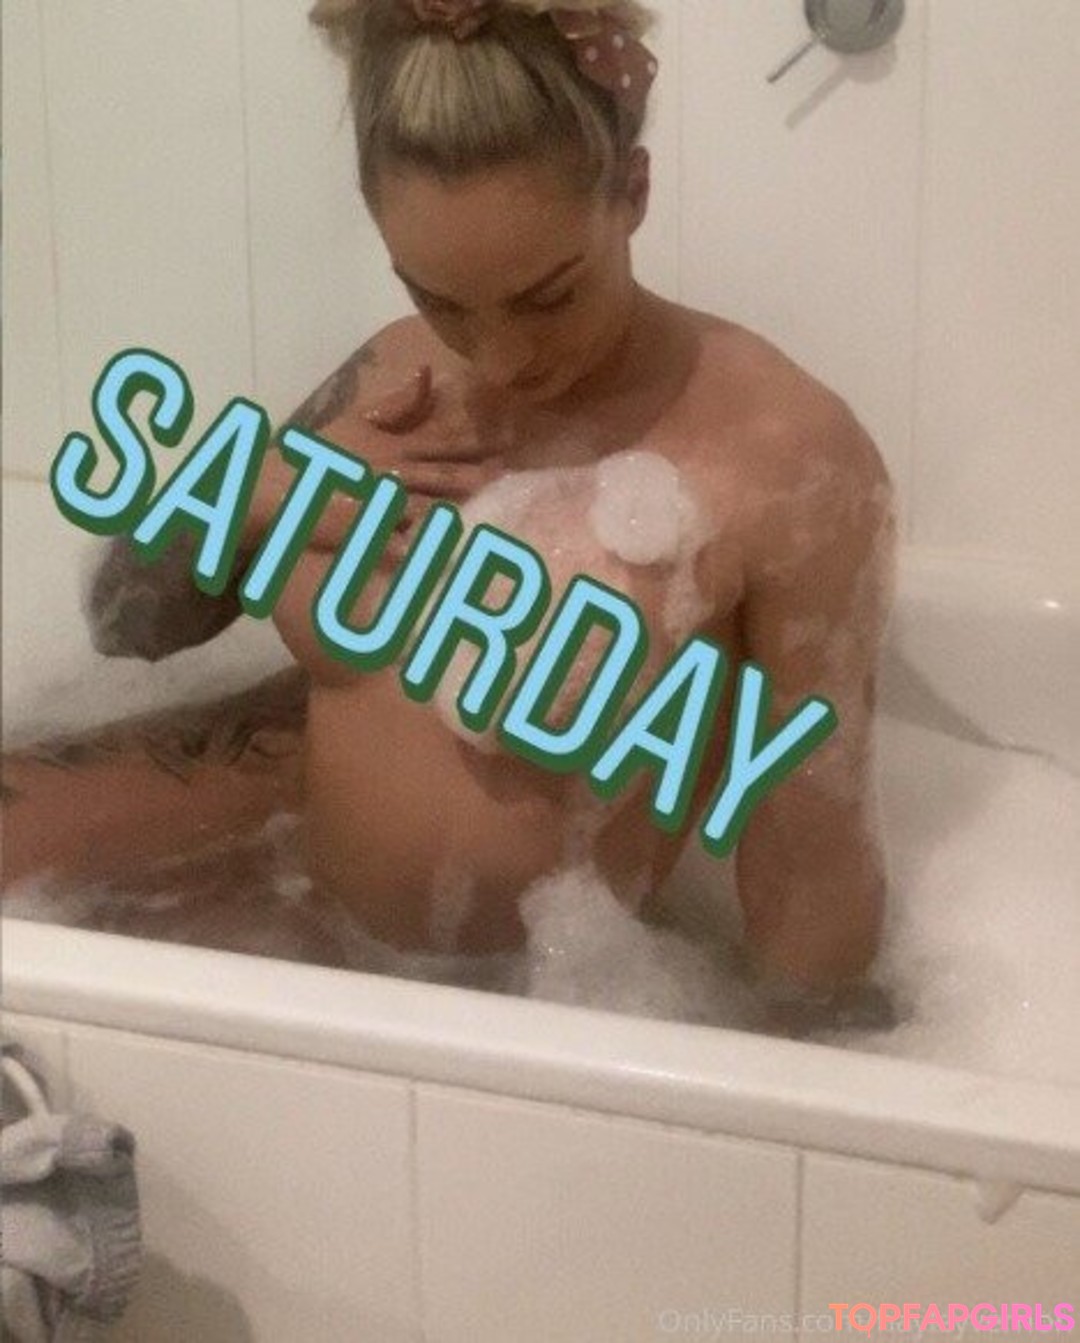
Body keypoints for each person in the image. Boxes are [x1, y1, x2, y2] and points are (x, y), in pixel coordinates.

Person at [1, 0, 897, 1027]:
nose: (499, 358)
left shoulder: (784, 458)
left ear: (633, 193)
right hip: (288, 903)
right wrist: (257, 494)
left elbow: (812, 863)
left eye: (549, 297)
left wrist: (798, 1070)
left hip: (531, 1008)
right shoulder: (397, 373)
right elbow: (125, 624)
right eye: (439, 297)